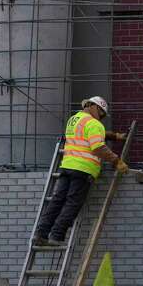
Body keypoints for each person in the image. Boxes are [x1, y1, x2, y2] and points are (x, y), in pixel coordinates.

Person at [34, 96, 129, 246]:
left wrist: (114, 136)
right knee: (72, 203)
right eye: (102, 113)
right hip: (83, 169)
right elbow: (98, 146)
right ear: (95, 107)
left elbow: (88, 133)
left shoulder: (74, 120)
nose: (102, 117)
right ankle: (57, 236)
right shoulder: (94, 123)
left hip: (67, 166)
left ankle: (41, 234)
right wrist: (117, 161)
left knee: (57, 200)